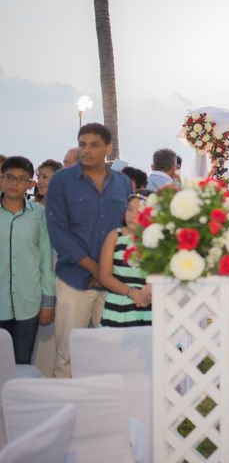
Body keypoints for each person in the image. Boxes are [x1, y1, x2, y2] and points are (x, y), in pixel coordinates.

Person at [46, 123, 132, 377]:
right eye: (82, 144)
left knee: (110, 355)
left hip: (113, 283)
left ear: (108, 148)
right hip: (74, 280)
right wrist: (95, 268)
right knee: (67, 355)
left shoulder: (123, 183)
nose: (87, 150)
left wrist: (106, 272)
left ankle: (104, 413)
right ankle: (63, 415)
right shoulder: (62, 181)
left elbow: (125, 229)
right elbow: (57, 231)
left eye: (94, 144)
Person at [0, 156, 56, 364]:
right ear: (1, 179)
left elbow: (46, 260)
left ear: (30, 184)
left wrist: (48, 302)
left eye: (21, 178)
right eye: (10, 177)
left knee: (22, 362)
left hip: (28, 303)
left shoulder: (39, 215)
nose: (15, 183)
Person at [99, 191, 152, 327]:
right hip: (118, 308)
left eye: (139, 211)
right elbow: (104, 276)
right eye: (129, 209)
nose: (132, 215)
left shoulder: (158, 240)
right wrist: (132, 292)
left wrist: (150, 290)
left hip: (149, 307)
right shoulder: (115, 236)